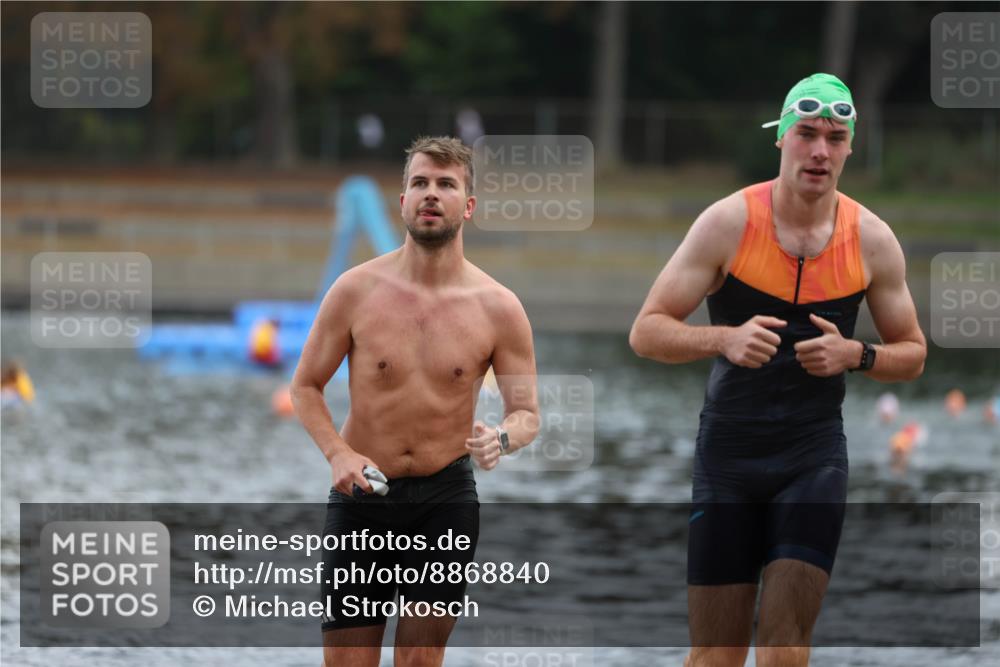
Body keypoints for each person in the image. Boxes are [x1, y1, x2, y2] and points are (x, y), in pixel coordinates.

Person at [629, 74, 927, 666]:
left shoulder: (872, 240)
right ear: (782, 138)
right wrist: (724, 338)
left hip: (812, 457)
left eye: (834, 137)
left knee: (785, 647)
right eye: (807, 133)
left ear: (848, 148)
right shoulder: (728, 222)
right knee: (716, 655)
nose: (819, 149)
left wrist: (858, 355)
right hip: (728, 457)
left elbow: (913, 353)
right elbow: (647, 331)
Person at [291, 136, 540, 667]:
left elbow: (527, 415)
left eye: (446, 185)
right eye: (420, 183)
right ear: (402, 200)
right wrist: (337, 453)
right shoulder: (354, 290)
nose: (431, 194)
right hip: (363, 497)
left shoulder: (499, 307)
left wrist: (501, 438)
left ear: (467, 206)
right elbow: (305, 386)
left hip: (445, 500)